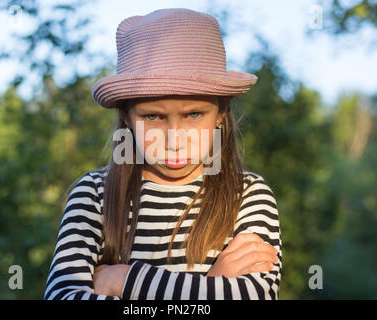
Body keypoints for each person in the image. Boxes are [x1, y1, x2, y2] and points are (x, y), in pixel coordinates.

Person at [44, 8, 282, 300]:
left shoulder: (247, 194)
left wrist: (122, 280)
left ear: (221, 112)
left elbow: (255, 295)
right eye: (153, 117)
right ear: (128, 118)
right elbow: (63, 295)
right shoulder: (95, 195)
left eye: (194, 114)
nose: (174, 139)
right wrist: (213, 283)